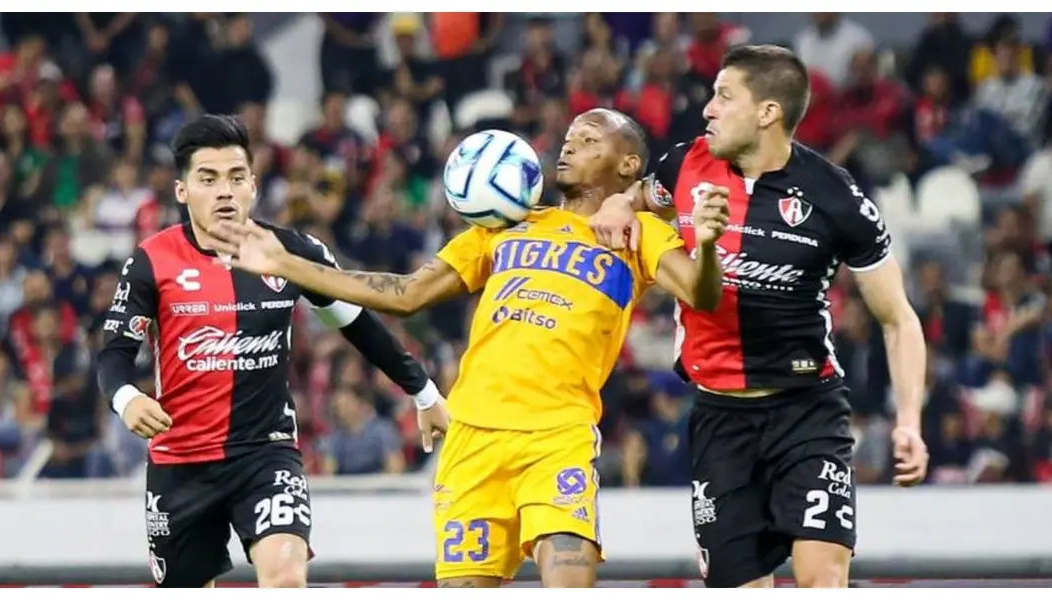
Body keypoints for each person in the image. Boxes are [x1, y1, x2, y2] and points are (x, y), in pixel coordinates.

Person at [204, 108, 729, 588]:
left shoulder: (637, 234)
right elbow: (407, 294)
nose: (568, 147)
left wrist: (705, 245)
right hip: (472, 439)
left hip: (557, 435)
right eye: (568, 138)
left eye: (589, 140)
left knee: (570, 579)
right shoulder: (504, 226)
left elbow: (701, 293)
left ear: (628, 163)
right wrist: (287, 265)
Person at [588, 45, 930, 588]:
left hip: (807, 413)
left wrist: (909, 421)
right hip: (719, 418)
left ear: (768, 112)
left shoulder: (837, 197)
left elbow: (899, 319)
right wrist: (616, 204)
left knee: (823, 578)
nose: (708, 108)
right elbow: (637, 194)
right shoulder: (683, 165)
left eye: (724, 96)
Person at [95, 114, 444, 588]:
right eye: (208, 178)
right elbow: (113, 353)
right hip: (181, 463)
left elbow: (357, 324)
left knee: (285, 579)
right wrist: (127, 399)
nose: (224, 191)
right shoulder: (151, 260)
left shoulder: (291, 253)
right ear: (182, 191)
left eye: (236, 178)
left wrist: (423, 391)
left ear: (254, 187)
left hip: (266, 454)